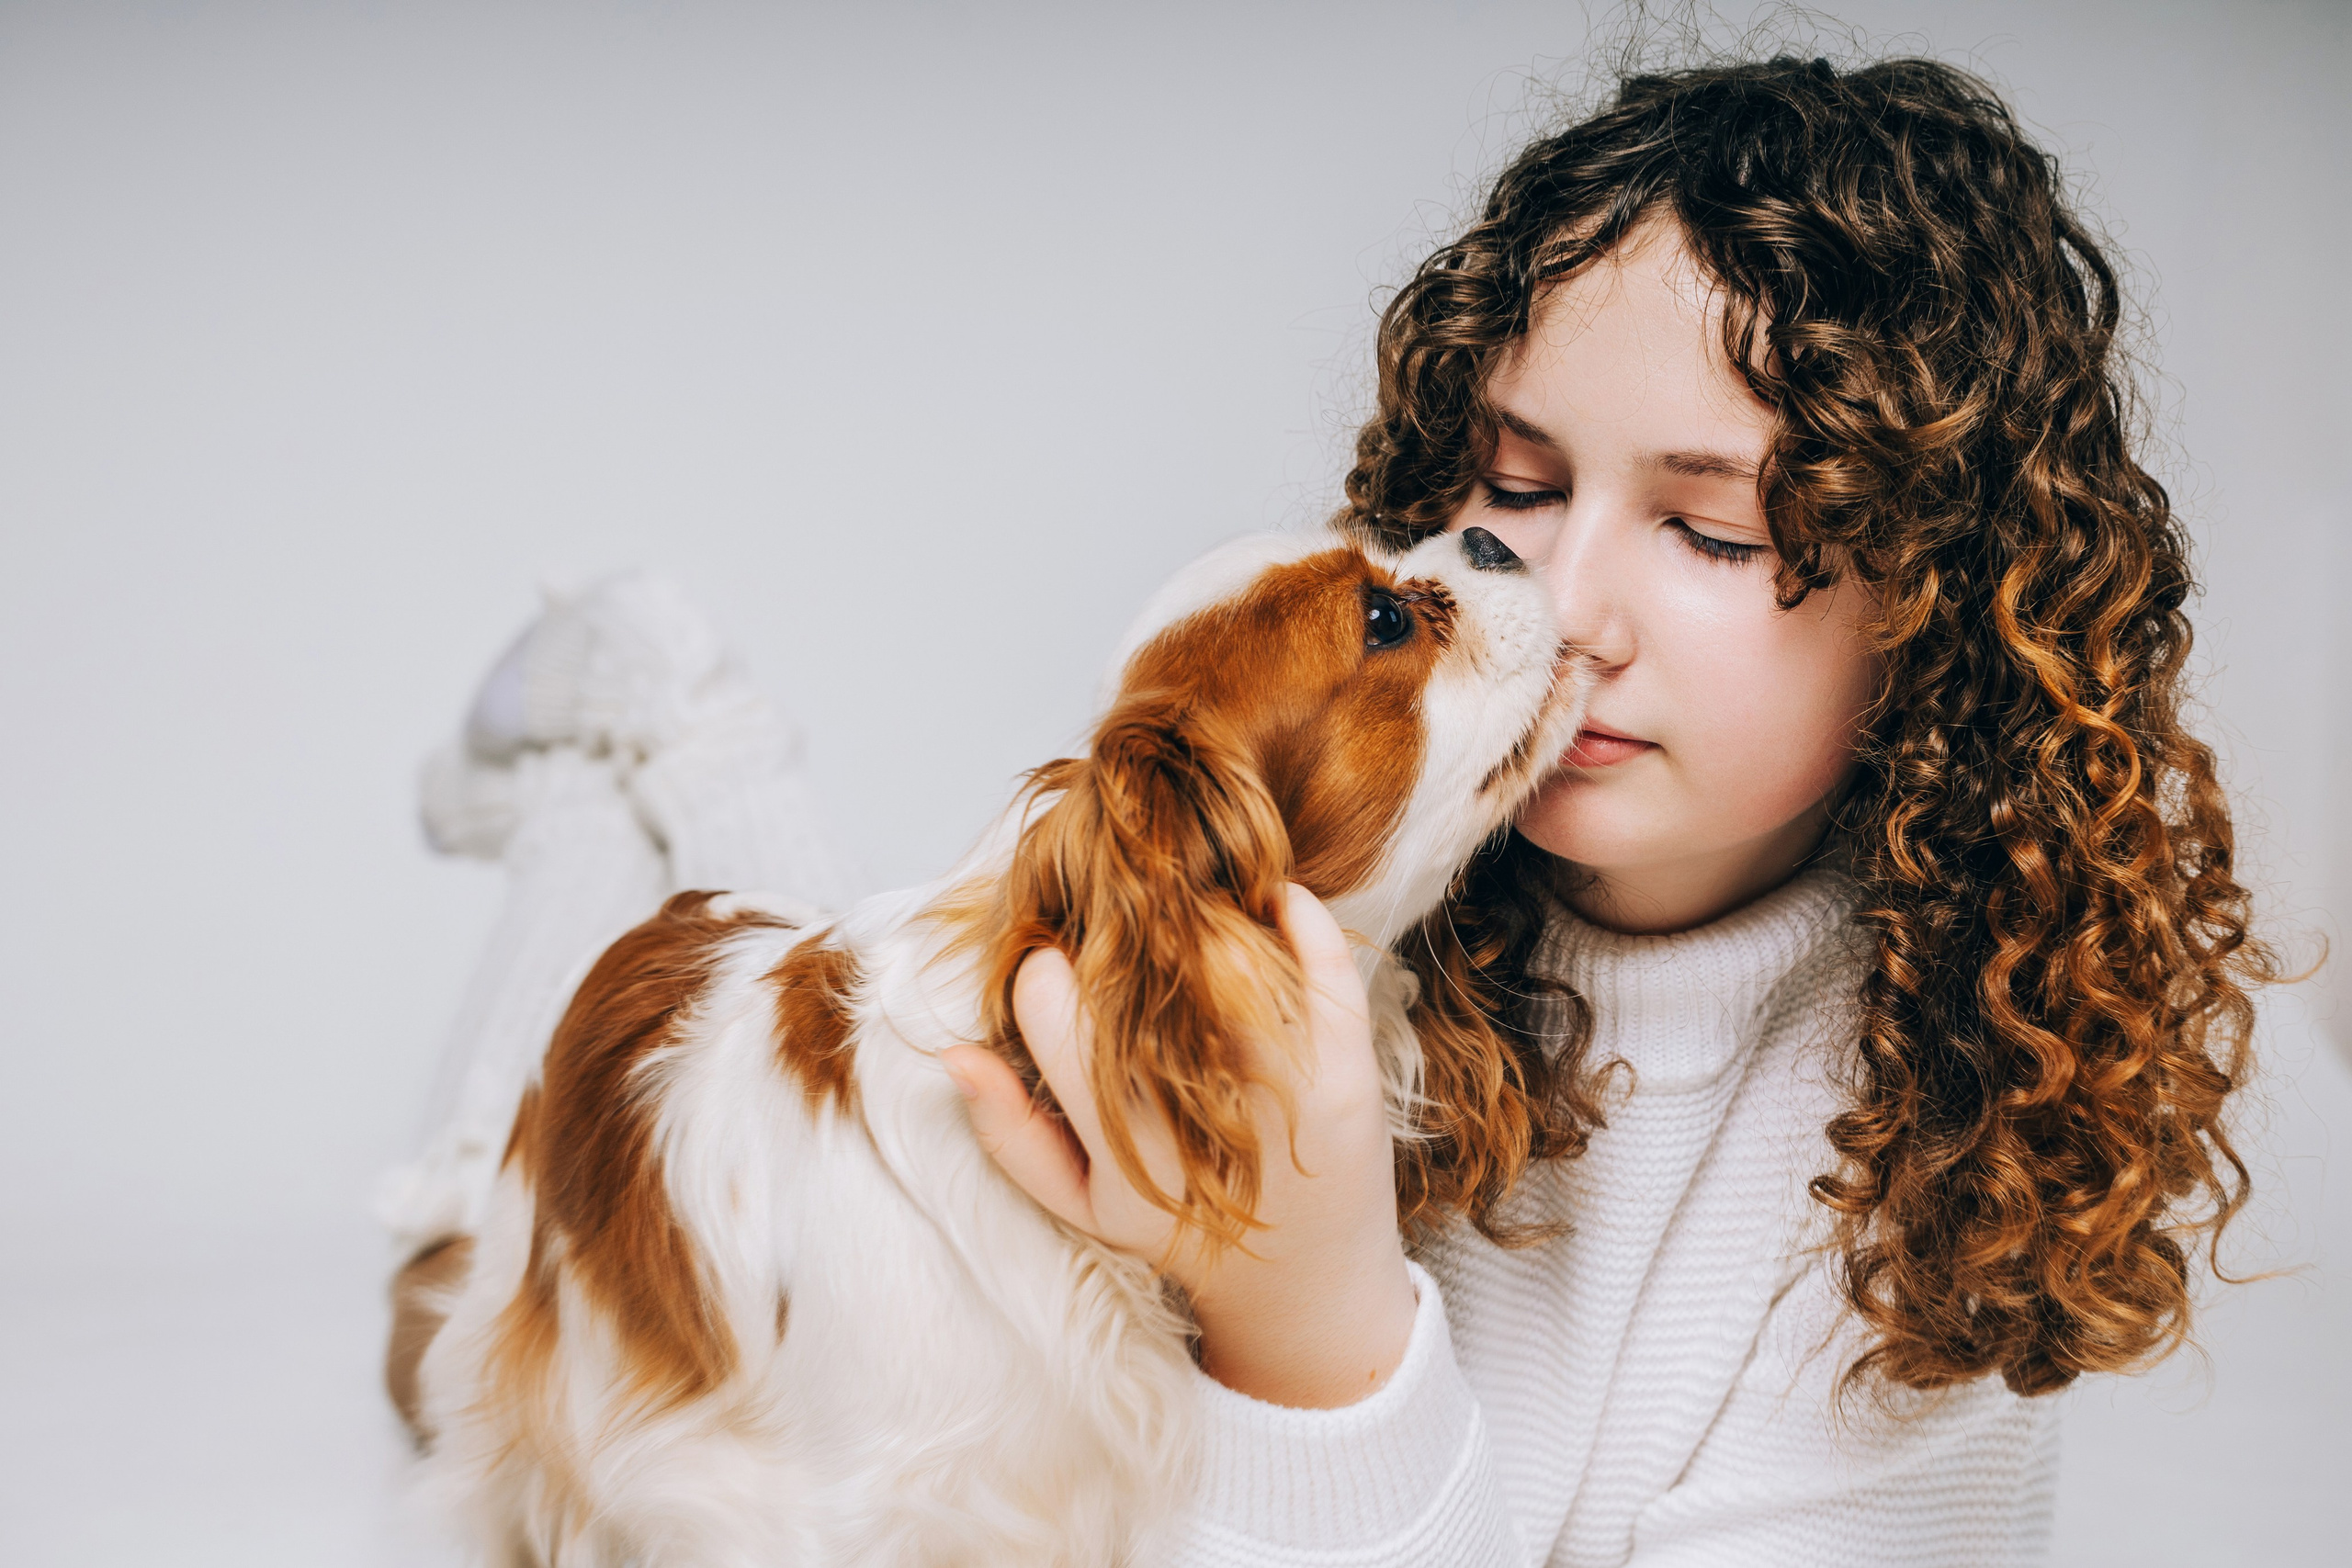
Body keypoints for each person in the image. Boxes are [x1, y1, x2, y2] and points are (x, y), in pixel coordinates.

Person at [382, 54, 2274, 1566]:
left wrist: (1308, 1320)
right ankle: (649, 723)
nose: (1563, 605)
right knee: (486, 1248)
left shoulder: (1936, 1169)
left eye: (1707, 528)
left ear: (1940, 619)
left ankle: (679, 741)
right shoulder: (1382, 881)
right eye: (1510, 485)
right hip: (776, 1131)